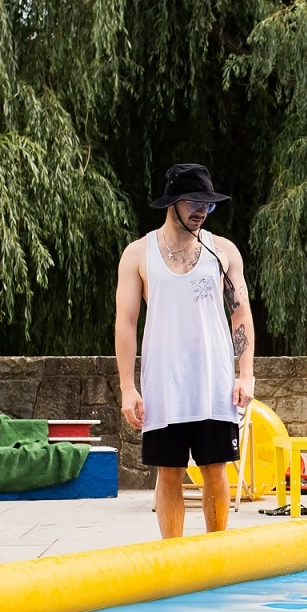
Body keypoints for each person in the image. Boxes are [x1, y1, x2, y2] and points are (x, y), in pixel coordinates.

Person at [115, 163, 255, 539]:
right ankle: (173, 559)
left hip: (213, 381)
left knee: (215, 469)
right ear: (172, 202)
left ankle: (217, 553)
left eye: (207, 205)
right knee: (169, 472)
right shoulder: (137, 254)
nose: (200, 211)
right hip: (164, 382)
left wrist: (246, 374)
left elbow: (240, 312)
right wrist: (127, 387)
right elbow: (126, 322)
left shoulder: (222, 251)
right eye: (193, 202)